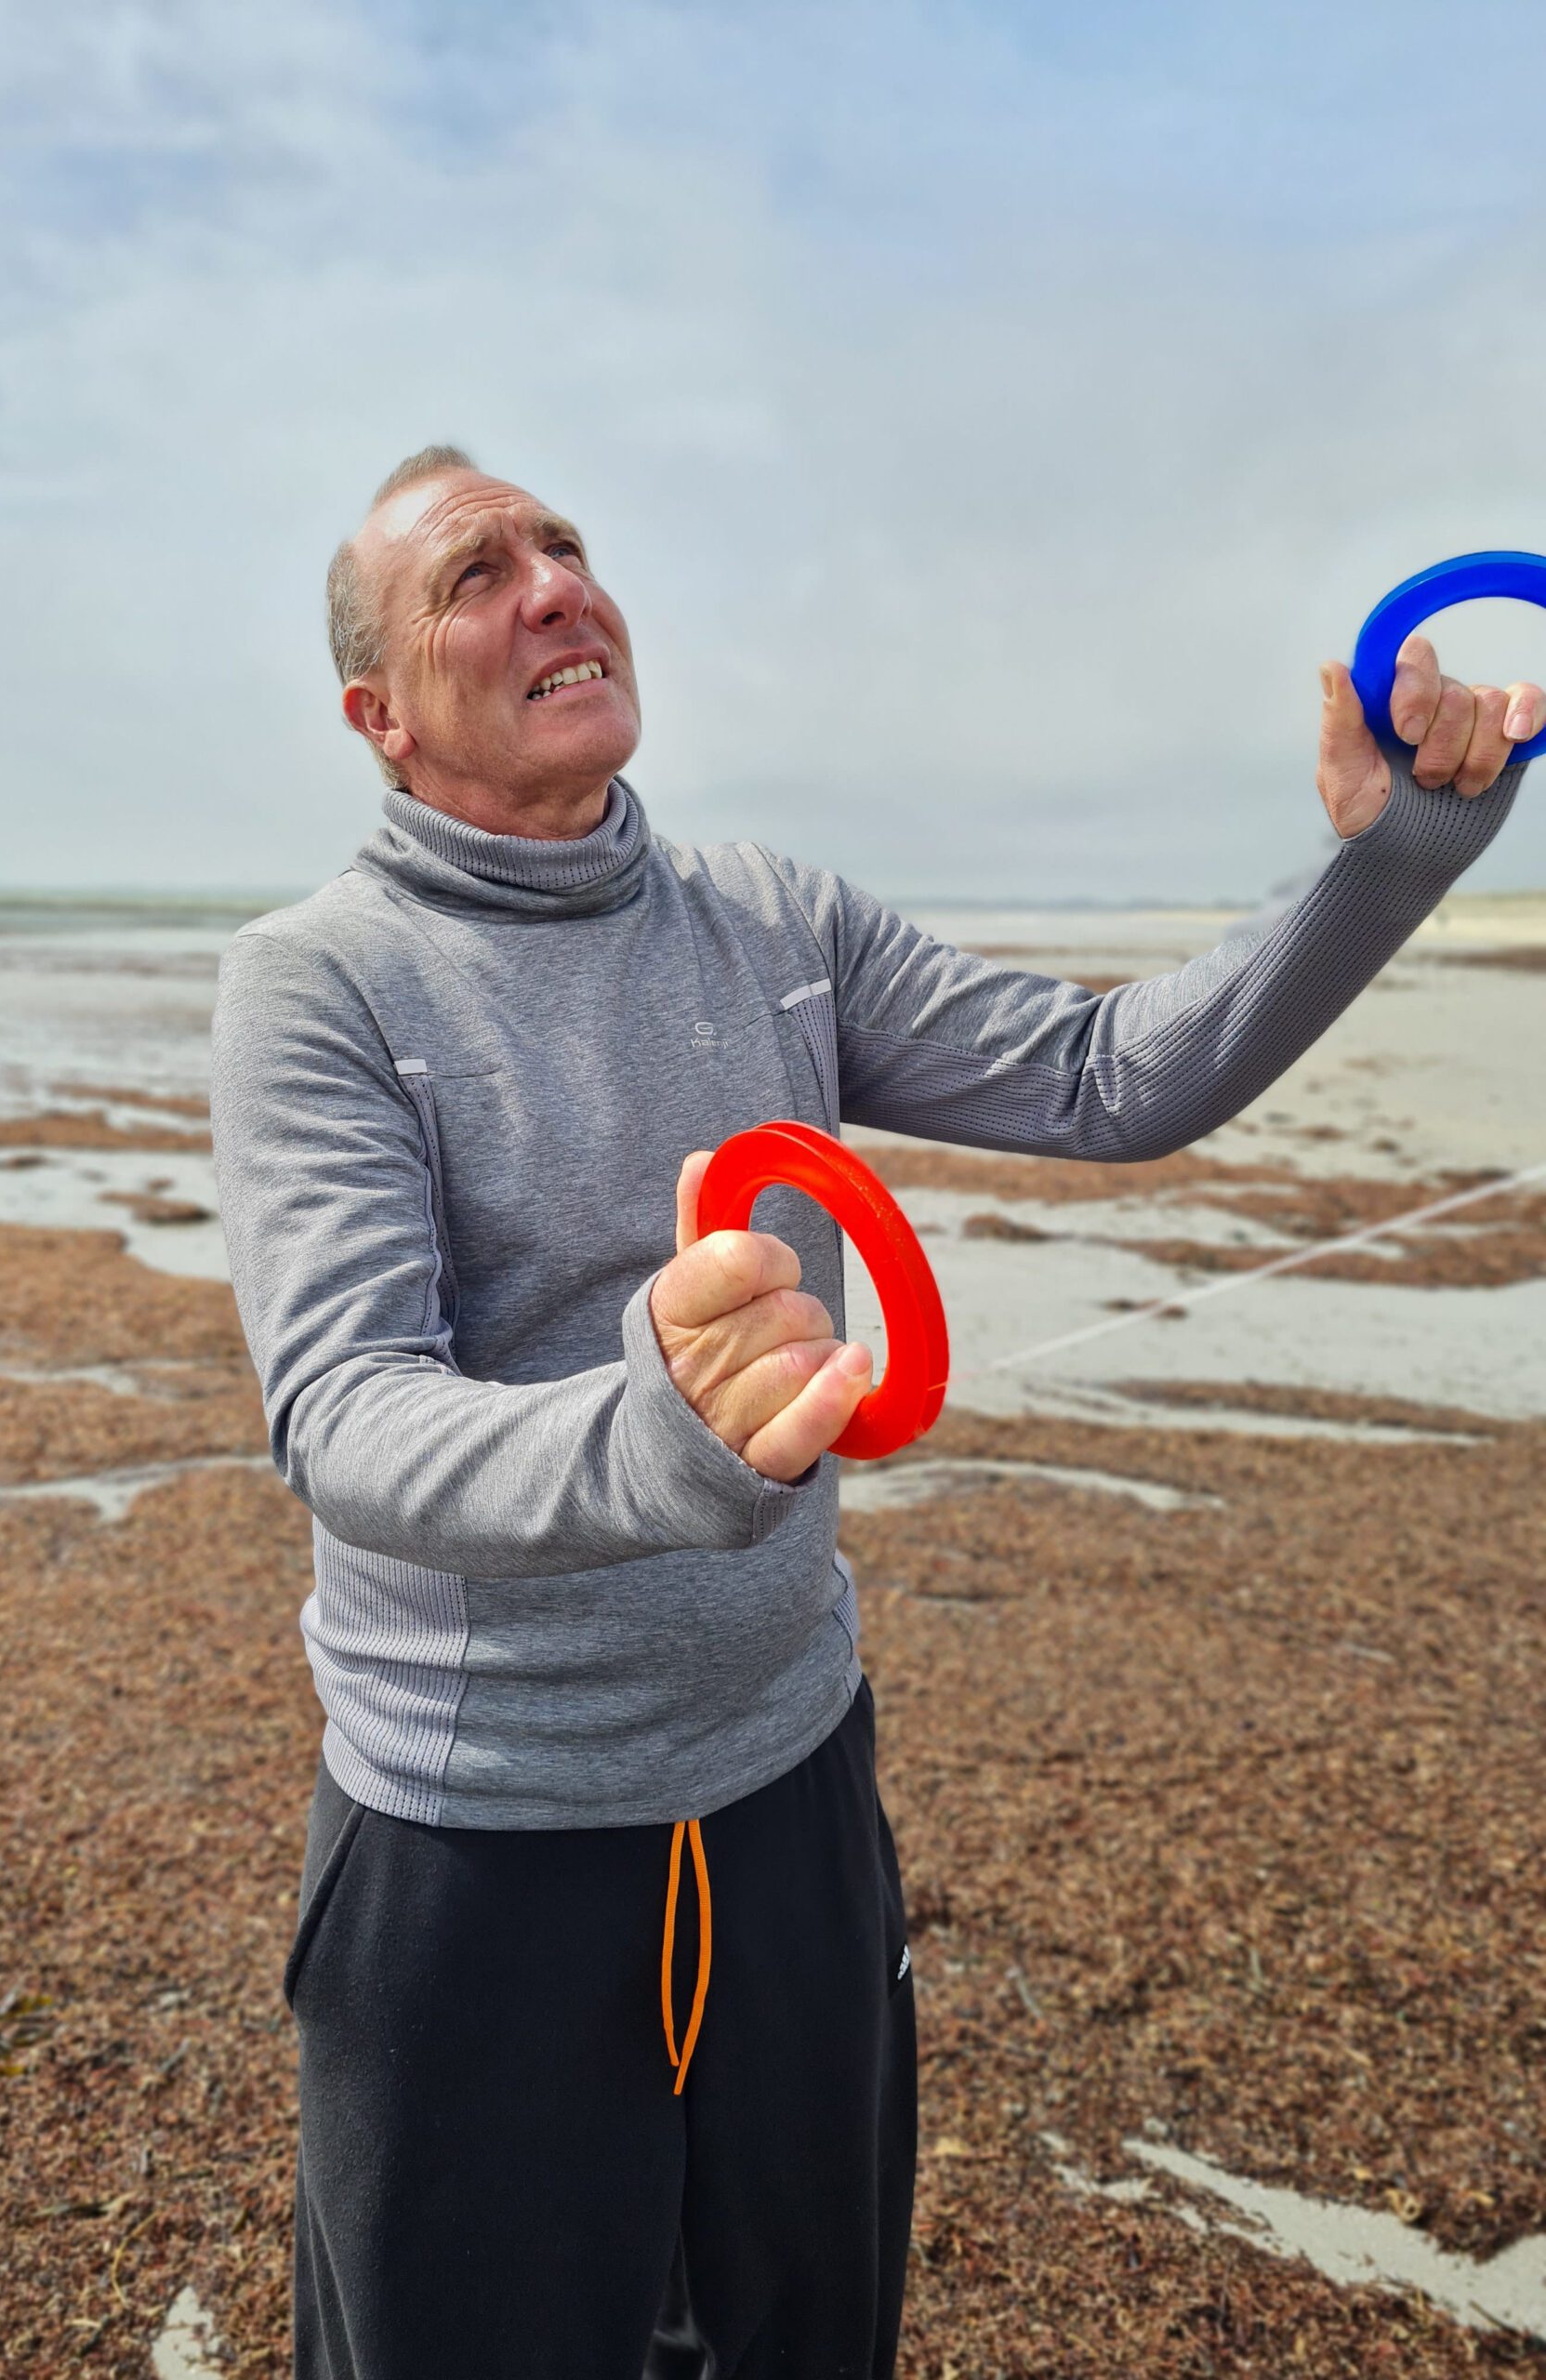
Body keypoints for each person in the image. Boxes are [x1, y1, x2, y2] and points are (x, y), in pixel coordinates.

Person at [208, 445, 1537, 2379]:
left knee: (806, 2341)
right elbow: (346, 1412)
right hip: (475, 1852)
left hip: (793, 1793)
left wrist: (1394, 852)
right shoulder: (317, 982)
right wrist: (656, 1433)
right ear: (381, 715)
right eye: (476, 576)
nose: (556, 585)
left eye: (565, 544)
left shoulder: (771, 917)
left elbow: (1106, 1078)